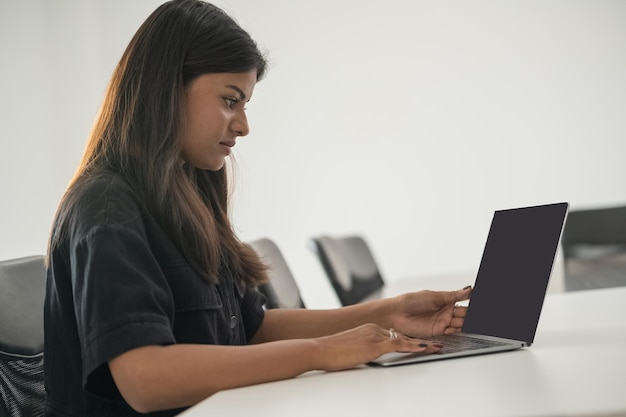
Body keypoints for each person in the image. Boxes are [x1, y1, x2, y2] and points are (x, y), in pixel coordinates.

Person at [44, 1, 471, 416]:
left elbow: (253, 329)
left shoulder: (190, 190)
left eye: (244, 105)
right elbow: (144, 379)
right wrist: (320, 352)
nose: (244, 126)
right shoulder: (106, 207)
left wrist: (387, 313)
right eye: (231, 100)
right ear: (166, 88)